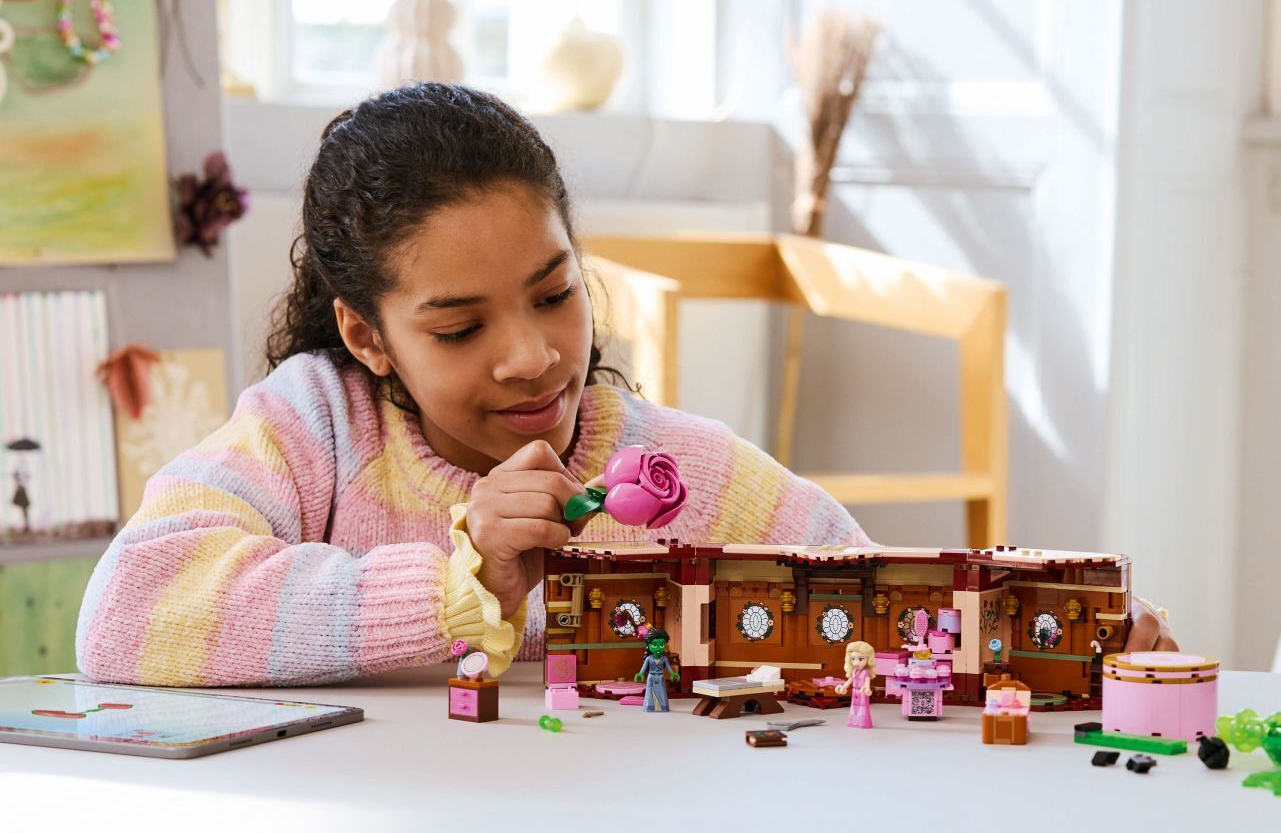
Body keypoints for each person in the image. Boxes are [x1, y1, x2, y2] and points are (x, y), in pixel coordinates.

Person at [75, 84, 1176, 687]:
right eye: (459, 328)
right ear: (367, 335)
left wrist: (1062, 638)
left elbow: (881, 607)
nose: (531, 355)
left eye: (555, 293)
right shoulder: (313, 427)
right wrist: (462, 586)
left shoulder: (674, 471)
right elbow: (126, 616)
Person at [633, 626, 678, 711]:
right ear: (649, 645)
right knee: (650, 692)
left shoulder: (664, 658)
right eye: (654, 645)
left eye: (662, 645)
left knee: (662, 692)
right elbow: (643, 668)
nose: (658, 648)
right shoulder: (649, 658)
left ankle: (663, 707)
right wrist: (640, 674)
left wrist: (673, 674)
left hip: (661, 677)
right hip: (651, 677)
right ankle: (650, 707)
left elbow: (668, 668)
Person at [838, 641, 876, 729]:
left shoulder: (866, 673)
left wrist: (867, 688)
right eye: (853, 659)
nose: (856, 662)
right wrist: (843, 687)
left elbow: (867, 684)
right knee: (854, 707)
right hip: (854, 692)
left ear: (868, 659)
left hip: (862, 692)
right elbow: (850, 680)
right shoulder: (854, 672)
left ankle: (862, 723)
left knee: (862, 708)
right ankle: (854, 722)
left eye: (860, 659)